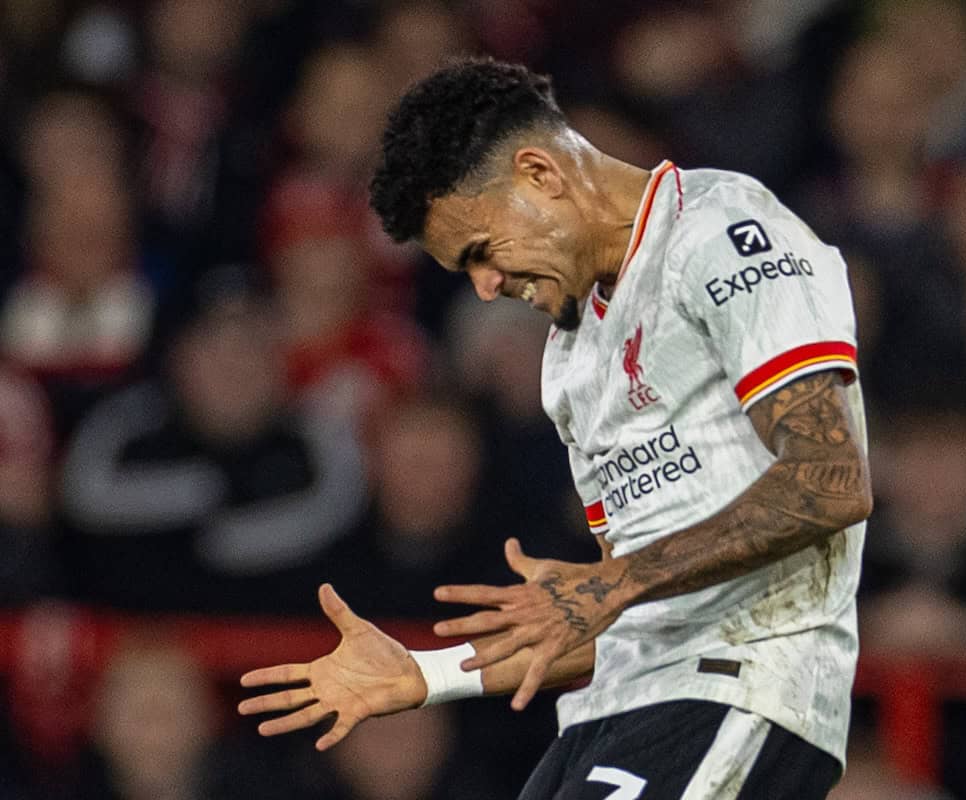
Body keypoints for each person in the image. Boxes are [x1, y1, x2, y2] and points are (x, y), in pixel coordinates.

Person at [240, 57, 872, 799]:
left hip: (739, 686)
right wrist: (425, 673)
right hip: (611, 710)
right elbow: (609, 615)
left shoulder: (723, 233)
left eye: (481, 252)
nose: (484, 287)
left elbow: (832, 482)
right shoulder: (571, 358)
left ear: (540, 173)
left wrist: (615, 581)